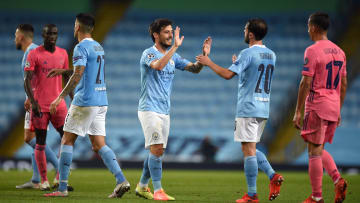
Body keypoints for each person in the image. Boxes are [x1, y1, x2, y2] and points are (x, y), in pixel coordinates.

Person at [196, 18, 283, 203]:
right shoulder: (271, 54)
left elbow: (228, 75)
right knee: (250, 147)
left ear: (251, 34)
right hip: (263, 107)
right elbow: (254, 75)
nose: (243, 32)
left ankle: (252, 194)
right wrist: (241, 66)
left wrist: (208, 62)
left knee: (248, 150)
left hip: (248, 107)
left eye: (245, 29)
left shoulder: (247, 53)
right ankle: (272, 176)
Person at [44, 13, 129, 198]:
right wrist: (65, 70)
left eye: (75, 25)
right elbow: (86, 70)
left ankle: (62, 189)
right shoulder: (98, 47)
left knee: (67, 140)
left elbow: (78, 74)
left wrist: (60, 97)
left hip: (85, 101)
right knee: (99, 145)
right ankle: (121, 180)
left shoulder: (80, 47)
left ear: (78, 27)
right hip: (101, 101)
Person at [135, 18, 211, 201]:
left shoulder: (173, 56)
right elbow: (159, 65)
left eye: (172, 32)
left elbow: (194, 69)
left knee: (158, 151)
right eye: (167, 32)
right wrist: (175, 47)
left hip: (164, 110)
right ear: (156, 35)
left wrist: (203, 58)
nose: (171, 35)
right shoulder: (149, 53)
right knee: (156, 148)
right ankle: (158, 191)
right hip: (149, 109)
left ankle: (142, 186)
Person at [292, 12, 348, 203]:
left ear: (314, 27)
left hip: (317, 104)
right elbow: (344, 83)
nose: (308, 30)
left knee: (314, 152)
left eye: (308, 26)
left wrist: (298, 111)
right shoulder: (340, 51)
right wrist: (338, 108)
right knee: (319, 147)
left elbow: (305, 83)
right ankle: (337, 180)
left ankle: (317, 197)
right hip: (333, 105)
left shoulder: (312, 50)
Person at [14, 24, 60, 190]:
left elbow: (36, 79)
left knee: (29, 138)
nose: (14, 39)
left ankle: (58, 165)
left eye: (15, 36)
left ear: (21, 37)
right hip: (42, 101)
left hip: (37, 102)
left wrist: (30, 98)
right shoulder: (34, 50)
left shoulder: (32, 52)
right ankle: (36, 179)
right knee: (38, 139)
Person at [23, 24, 69, 190]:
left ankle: (59, 177)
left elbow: (67, 78)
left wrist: (72, 99)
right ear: (43, 35)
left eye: (55, 33)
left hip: (59, 105)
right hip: (40, 106)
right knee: (40, 142)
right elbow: (26, 80)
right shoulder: (34, 53)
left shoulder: (63, 53)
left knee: (67, 139)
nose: (52, 36)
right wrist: (33, 102)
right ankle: (44, 181)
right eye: (49, 33)